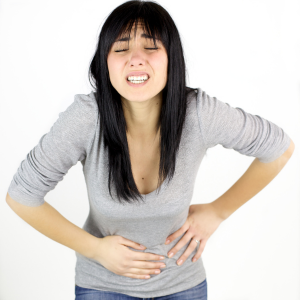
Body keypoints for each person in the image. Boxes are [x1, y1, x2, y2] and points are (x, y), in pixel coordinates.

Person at [6, 0, 294, 299]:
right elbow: (21, 196)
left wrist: (217, 212)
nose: (136, 59)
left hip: (183, 285)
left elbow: (279, 148)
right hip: (101, 286)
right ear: (105, 62)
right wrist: (96, 249)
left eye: (152, 46)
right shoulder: (86, 118)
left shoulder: (198, 113)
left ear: (172, 58)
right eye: (120, 48)